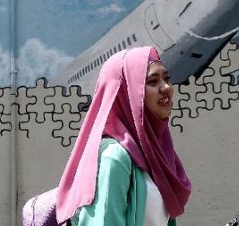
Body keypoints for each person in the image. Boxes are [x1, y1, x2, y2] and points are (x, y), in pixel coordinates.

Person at [54, 46, 191, 226]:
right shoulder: (115, 157)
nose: (166, 88)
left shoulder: (156, 154)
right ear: (127, 93)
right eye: (152, 82)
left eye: (167, 78)